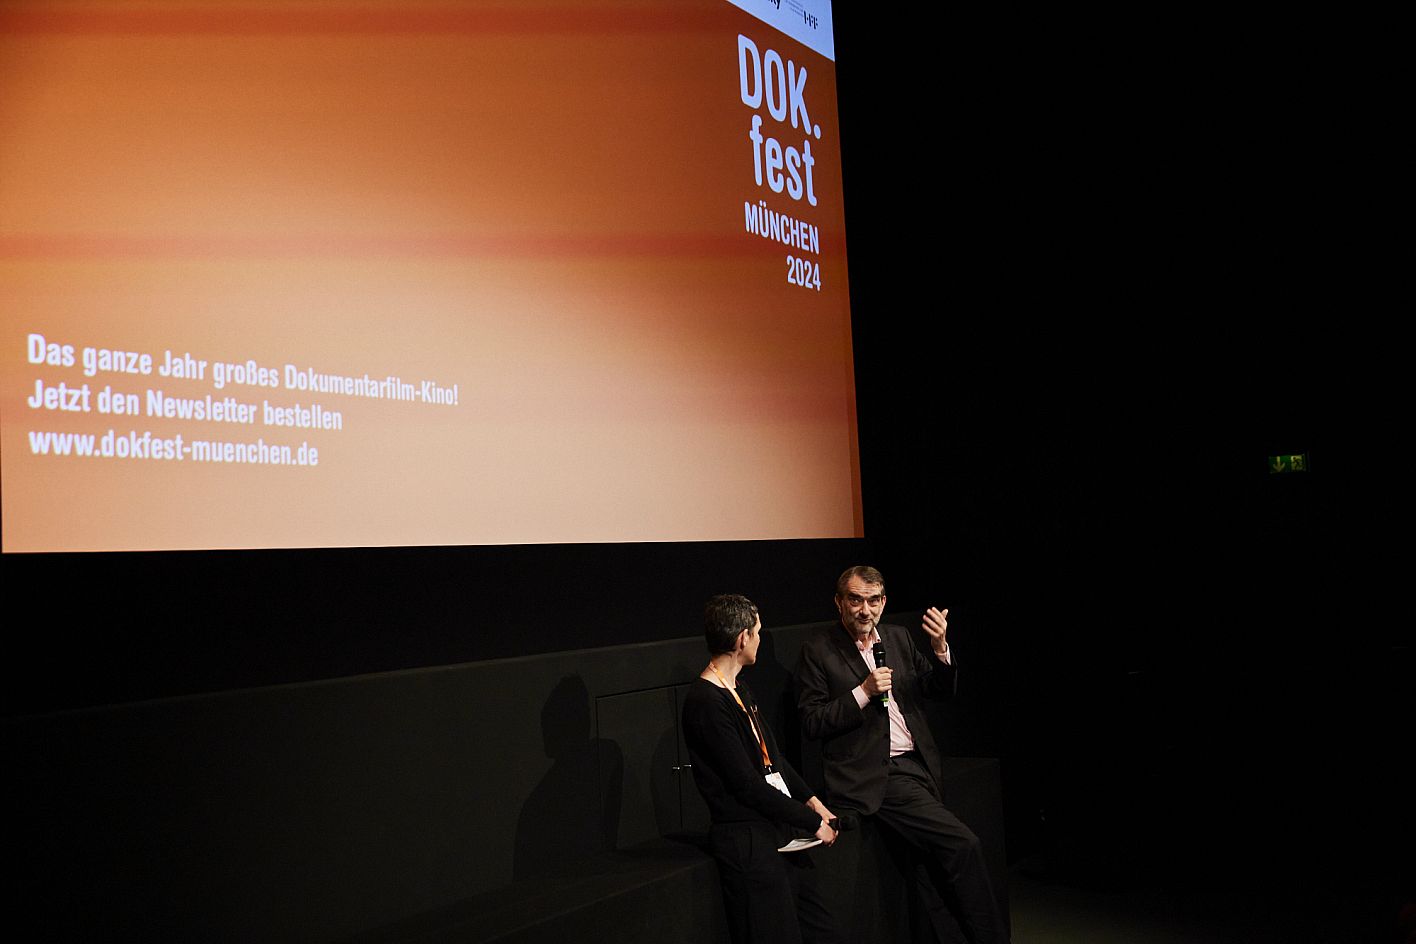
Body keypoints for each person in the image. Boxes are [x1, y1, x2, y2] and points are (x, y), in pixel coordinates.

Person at [794, 566, 1006, 944]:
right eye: (856, 600)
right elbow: (812, 721)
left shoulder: (897, 637)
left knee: (928, 871)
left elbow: (936, 689)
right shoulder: (818, 649)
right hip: (878, 775)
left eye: (873, 600)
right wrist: (862, 692)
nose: (865, 610)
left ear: (884, 602)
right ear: (839, 602)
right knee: (963, 845)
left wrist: (940, 649)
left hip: (920, 765)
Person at [681, 594, 843, 944]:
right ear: (743, 638)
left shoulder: (739, 688)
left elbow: (774, 759)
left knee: (822, 930)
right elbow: (746, 784)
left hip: (776, 829)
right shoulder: (706, 702)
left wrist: (814, 802)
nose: (759, 639)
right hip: (748, 842)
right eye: (757, 632)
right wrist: (812, 822)